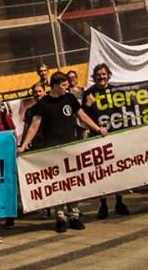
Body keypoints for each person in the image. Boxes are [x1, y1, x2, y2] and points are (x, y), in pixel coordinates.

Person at [18, 71, 104, 233]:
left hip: (70, 147)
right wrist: (24, 145)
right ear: (55, 86)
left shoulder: (69, 98)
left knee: (72, 182)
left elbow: (82, 116)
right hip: (53, 150)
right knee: (58, 184)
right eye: (64, 85)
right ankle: (60, 216)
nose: (66, 87)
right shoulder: (44, 103)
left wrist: (98, 128)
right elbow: (34, 126)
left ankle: (74, 215)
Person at [80, 65, 130, 220]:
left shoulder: (117, 91)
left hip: (115, 136)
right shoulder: (88, 94)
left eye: (103, 74)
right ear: (94, 77)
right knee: (101, 172)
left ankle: (120, 202)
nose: (101, 77)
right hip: (98, 138)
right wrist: (88, 105)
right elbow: (83, 118)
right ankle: (103, 204)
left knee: (118, 170)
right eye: (98, 74)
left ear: (108, 75)